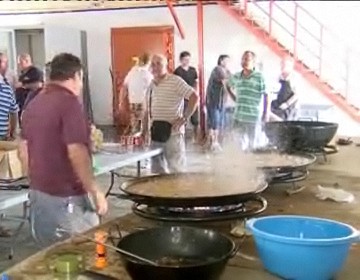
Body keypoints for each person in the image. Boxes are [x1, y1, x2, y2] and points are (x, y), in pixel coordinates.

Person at [19, 53, 108, 248]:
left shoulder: (33, 104)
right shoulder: (69, 103)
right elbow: (76, 151)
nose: (81, 85)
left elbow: (23, 149)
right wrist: (95, 191)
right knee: (84, 254)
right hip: (67, 200)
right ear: (76, 75)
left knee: (50, 258)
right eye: (81, 79)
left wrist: (34, 180)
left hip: (38, 197)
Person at [143, 54, 199, 174]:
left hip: (173, 134)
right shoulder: (151, 86)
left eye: (159, 64)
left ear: (166, 65)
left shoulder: (175, 81)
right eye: (153, 64)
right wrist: (144, 132)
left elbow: (194, 96)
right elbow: (146, 111)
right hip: (155, 135)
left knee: (177, 171)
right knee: (157, 172)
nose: (155, 67)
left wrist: (184, 118)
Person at [228, 50, 270, 151]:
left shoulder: (260, 77)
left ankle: (252, 164)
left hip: (253, 117)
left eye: (247, 59)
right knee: (237, 143)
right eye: (243, 59)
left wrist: (266, 112)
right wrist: (235, 98)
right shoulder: (237, 76)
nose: (244, 61)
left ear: (254, 62)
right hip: (238, 116)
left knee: (253, 145)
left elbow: (267, 95)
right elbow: (228, 85)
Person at [205, 54, 231, 152]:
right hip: (213, 101)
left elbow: (233, 80)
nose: (228, 63)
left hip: (221, 102)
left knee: (219, 122)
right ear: (221, 61)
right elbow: (226, 81)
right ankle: (213, 143)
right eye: (227, 61)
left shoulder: (227, 71)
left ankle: (215, 143)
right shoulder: (218, 69)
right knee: (214, 122)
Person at [122, 53, 152, 134]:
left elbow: (124, 87)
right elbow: (153, 87)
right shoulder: (147, 74)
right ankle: (145, 142)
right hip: (143, 102)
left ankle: (135, 139)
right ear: (148, 63)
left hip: (132, 101)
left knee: (134, 124)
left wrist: (121, 101)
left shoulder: (132, 71)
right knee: (145, 126)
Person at [174, 51, 199, 143]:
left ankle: (196, 138)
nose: (187, 61)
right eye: (185, 59)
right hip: (182, 98)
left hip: (192, 95)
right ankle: (182, 138)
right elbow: (176, 85)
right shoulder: (178, 71)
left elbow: (196, 82)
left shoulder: (193, 70)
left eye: (188, 59)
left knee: (195, 118)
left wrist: (195, 91)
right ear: (181, 60)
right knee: (183, 117)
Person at [271, 56, 299, 120]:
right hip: (279, 106)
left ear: (290, 67)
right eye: (282, 64)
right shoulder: (278, 77)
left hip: (290, 108)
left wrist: (287, 104)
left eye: (284, 65)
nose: (282, 66)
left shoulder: (294, 78)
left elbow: (296, 95)